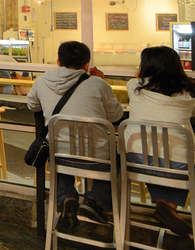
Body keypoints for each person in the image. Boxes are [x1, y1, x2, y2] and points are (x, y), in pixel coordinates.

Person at [27, 41, 124, 232]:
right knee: (119, 157)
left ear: (58, 61)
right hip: (98, 159)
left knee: (60, 150)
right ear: (87, 65)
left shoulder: (42, 81)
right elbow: (116, 116)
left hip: (59, 155)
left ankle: (66, 199)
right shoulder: (98, 84)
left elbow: (32, 106)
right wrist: (102, 82)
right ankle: (94, 200)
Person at [124, 46, 195, 237]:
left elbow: (137, 80)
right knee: (179, 162)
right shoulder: (189, 93)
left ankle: (165, 207)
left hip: (137, 161)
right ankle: (168, 208)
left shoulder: (134, 87)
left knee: (153, 161)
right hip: (179, 166)